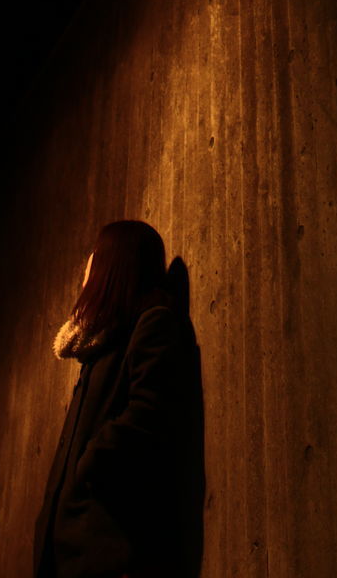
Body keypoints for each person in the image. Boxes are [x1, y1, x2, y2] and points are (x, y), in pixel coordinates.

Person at [34, 220, 198, 578]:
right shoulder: (103, 345)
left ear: (115, 264)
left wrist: (89, 465)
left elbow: (150, 415)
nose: (87, 268)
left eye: (94, 257)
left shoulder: (152, 324)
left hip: (106, 548)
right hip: (74, 548)